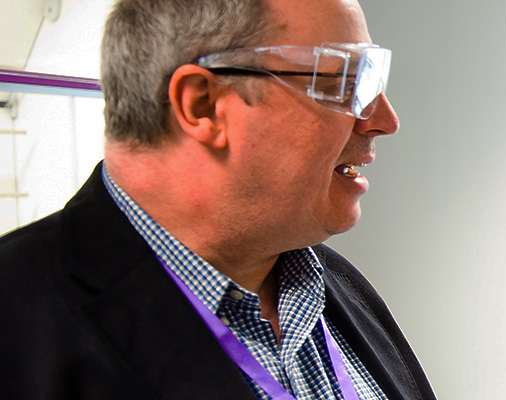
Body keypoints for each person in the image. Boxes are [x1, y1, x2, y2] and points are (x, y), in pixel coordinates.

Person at [0, 0, 435, 398]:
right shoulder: (19, 323)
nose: (384, 120)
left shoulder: (336, 286)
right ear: (203, 105)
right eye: (345, 81)